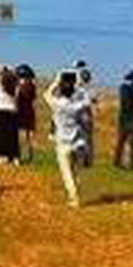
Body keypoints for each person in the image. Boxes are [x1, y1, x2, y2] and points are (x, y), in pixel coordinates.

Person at [45, 70, 92, 207]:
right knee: (76, 171)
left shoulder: (57, 104)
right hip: (78, 142)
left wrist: (57, 81)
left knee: (67, 174)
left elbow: (46, 94)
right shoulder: (76, 106)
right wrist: (76, 85)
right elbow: (87, 101)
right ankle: (77, 191)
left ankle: (74, 197)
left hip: (63, 143)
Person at [113, 70, 133, 171]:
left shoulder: (122, 88)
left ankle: (117, 162)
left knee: (120, 141)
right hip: (132, 118)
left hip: (123, 117)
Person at [0, 66, 21, 164]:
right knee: (13, 136)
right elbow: (18, 81)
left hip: (3, 111)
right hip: (13, 112)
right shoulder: (16, 88)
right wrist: (12, 72)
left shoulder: (0, 88)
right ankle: (15, 157)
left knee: (2, 135)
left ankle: (2, 156)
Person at [73, 62, 96, 168]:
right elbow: (94, 100)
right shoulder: (90, 88)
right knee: (87, 138)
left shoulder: (77, 87)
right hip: (86, 113)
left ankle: (80, 159)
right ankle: (86, 160)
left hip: (80, 112)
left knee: (79, 137)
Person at [14, 64, 38, 163]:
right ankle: (30, 156)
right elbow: (34, 98)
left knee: (21, 136)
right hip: (30, 112)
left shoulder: (19, 87)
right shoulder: (32, 86)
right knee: (30, 135)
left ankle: (20, 156)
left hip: (21, 112)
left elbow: (16, 98)